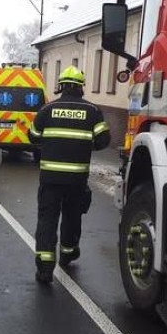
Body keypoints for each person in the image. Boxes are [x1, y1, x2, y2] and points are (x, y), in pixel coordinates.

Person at [28, 66, 110, 284]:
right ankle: (68, 253)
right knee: (72, 217)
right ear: (81, 87)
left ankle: (45, 269)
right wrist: (83, 145)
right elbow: (104, 141)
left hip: (50, 179)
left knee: (47, 220)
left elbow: (33, 137)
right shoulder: (93, 111)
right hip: (76, 179)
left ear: (61, 85)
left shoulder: (47, 109)